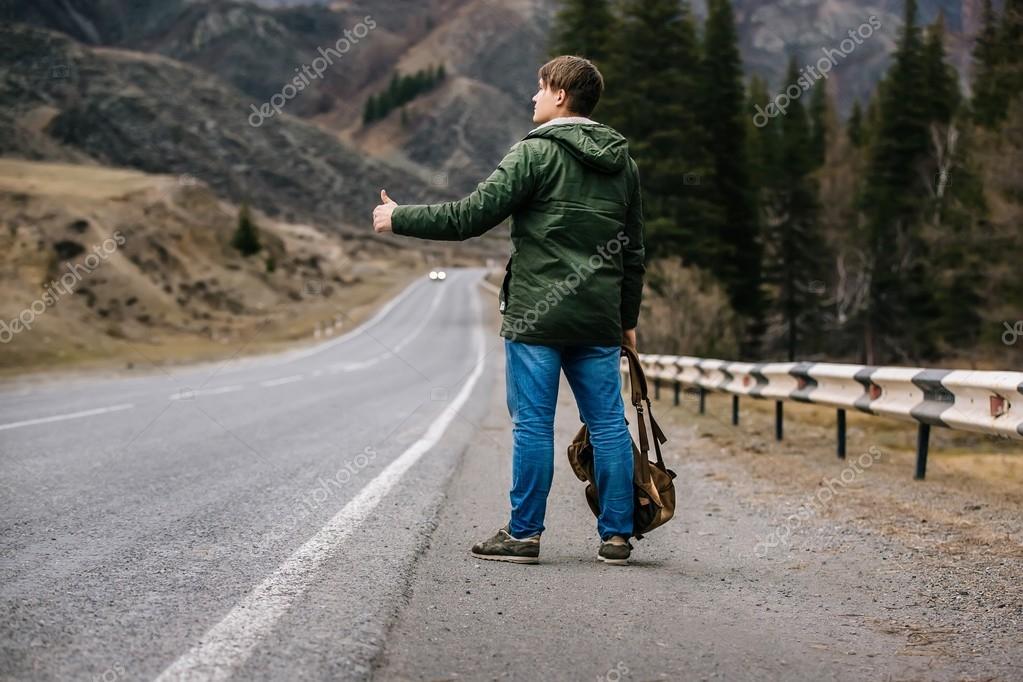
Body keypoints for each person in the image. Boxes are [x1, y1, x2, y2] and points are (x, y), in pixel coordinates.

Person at [372, 55, 645, 566]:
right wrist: (626, 319)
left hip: (537, 316)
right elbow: (632, 252)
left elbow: (470, 216)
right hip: (598, 318)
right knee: (609, 424)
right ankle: (616, 536)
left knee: (534, 424)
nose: (533, 97)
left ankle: (524, 535)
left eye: (540, 88)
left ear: (561, 94)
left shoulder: (533, 154)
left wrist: (398, 217)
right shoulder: (623, 164)